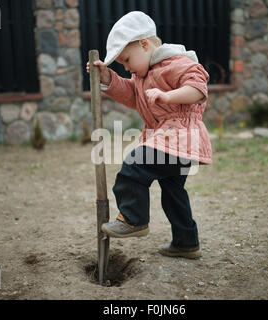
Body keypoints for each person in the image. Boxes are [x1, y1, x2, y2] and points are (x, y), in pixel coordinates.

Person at [86, 11, 212, 259]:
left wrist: (169, 96)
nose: (126, 67)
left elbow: (198, 88)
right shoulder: (142, 76)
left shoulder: (178, 63)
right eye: (122, 64)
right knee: (173, 193)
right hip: (171, 141)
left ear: (145, 44)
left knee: (134, 167)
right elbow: (132, 94)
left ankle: (133, 219)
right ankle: (186, 243)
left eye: (126, 60)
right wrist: (108, 78)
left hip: (179, 138)